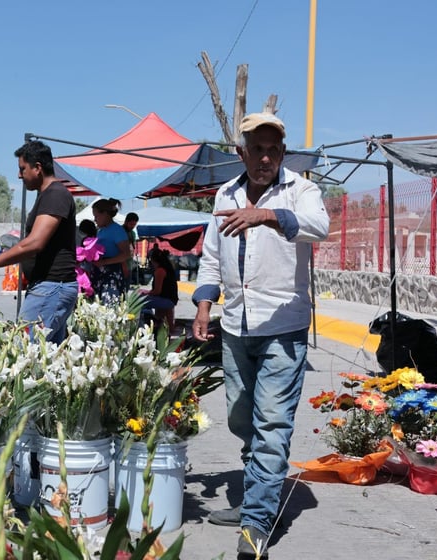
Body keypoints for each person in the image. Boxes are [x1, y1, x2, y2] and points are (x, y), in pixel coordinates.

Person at [191, 112, 329, 557]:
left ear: (283, 153)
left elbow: (318, 227)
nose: (266, 157)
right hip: (235, 326)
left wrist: (267, 215)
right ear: (242, 153)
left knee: (271, 424)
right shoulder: (224, 194)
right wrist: (204, 305)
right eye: (258, 149)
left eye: (274, 150)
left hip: (283, 326)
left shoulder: (302, 191)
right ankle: (258, 498)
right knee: (240, 417)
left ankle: (255, 524)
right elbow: (211, 256)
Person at [0, 140, 77, 344]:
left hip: (51, 288)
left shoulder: (55, 195)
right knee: (45, 362)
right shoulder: (47, 195)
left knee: (23, 354)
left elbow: (35, 242)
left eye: (22, 169)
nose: (19, 175)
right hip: (50, 287)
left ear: (37, 168)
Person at [91, 198, 131, 304]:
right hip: (100, 273)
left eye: (96, 216)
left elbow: (126, 254)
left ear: (105, 214)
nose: (95, 220)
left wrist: (104, 262)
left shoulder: (117, 230)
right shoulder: (101, 231)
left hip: (111, 275)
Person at [140, 248, 178, 331]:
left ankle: (145, 324)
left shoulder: (160, 271)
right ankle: (158, 322)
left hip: (166, 300)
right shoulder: (168, 269)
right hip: (170, 299)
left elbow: (157, 291)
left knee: (140, 301)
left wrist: (146, 292)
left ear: (153, 260)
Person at [123, 211, 140, 286]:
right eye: (131, 224)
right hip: (121, 264)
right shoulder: (120, 231)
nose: (132, 226)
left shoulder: (132, 233)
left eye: (134, 225)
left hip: (129, 263)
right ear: (126, 221)